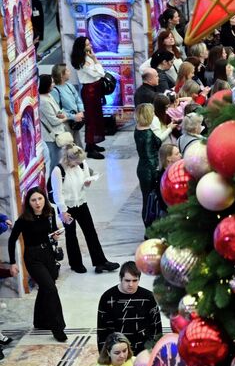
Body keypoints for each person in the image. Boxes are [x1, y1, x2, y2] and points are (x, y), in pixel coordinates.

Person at [9, 186, 67, 342]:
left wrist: (55, 236)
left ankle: (39, 321)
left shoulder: (50, 212)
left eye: (40, 199)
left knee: (45, 288)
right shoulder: (24, 219)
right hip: (33, 257)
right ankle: (58, 327)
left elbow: (52, 230)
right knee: (51, 289)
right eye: (33, 200)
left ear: (44, 199)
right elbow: (12, 240)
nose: (37, 203)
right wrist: (13, 263)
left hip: (48, 254)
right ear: (28, 202)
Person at [49, 144, 116, 274]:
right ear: (68, 159)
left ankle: (100, 262)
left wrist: (87, 183)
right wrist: (63, 211)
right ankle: (75, 264)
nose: (79, 164)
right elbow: (57, 193)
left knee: (90, 232)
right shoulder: (58, 171)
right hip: (67, 207)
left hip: (81, 202)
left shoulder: (81, 164)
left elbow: (84, 182)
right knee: (71, 234)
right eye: (77, 162)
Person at [97, 263, 163, 352]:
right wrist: (104, 355)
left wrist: (153, 352)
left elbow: (156, 328)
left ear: (139, 279)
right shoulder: (107, 298)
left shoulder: (149, 297)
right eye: (127, 280)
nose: (131, 284)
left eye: (135, 280)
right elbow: (102, 331)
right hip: (118, 352)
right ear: (120, 278)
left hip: (143, 351)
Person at [71, 36, 108, 155]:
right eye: (87, 44)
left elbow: (99, 72)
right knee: (91, 119)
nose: (90, 45)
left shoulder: (88, 57)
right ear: (81, 47)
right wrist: (96, 61)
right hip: (90, 91)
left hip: (95, 89)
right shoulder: (82, 61)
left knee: (96, 117)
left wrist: (94, 60)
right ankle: (90, 146)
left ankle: (91, 144)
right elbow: (99, 73)